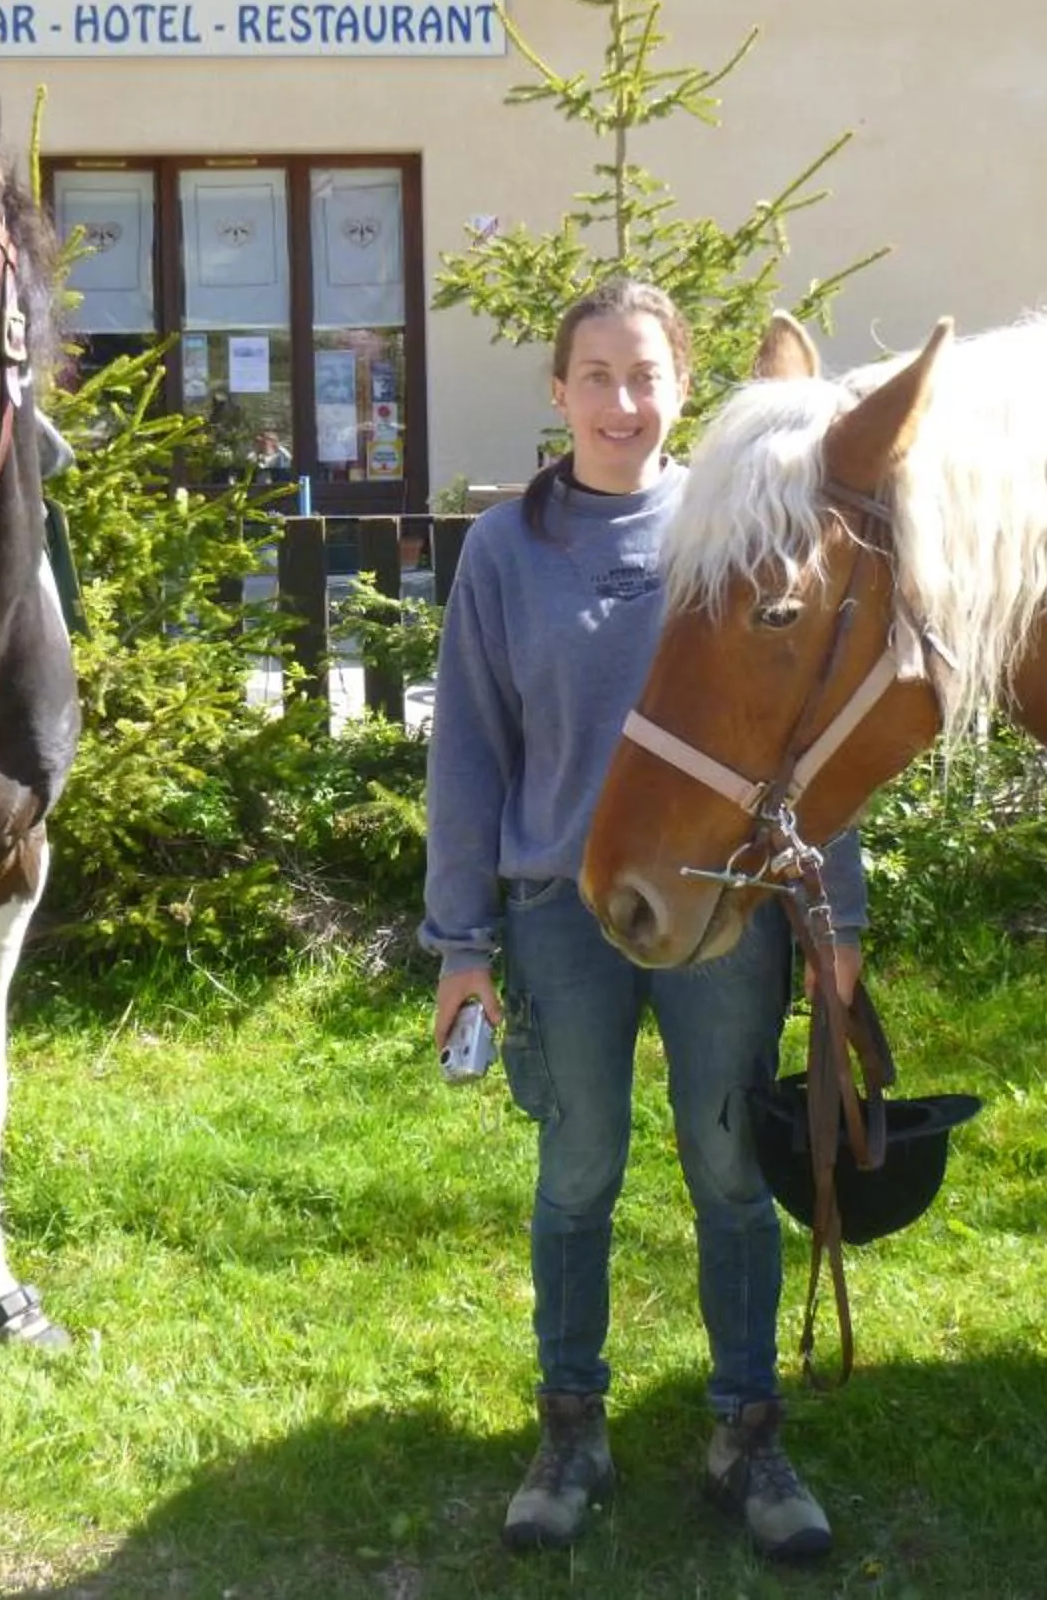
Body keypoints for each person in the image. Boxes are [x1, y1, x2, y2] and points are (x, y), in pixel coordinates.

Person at [422, 278, 865, 1563]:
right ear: (559, 393)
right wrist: (462, 946)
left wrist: (836, 920)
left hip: (726, 909)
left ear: (684, 386)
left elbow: (806, 733)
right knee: (579, 1173)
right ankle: (571, 1431)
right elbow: (470, 753)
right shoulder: (506, 553)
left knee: (732, 1173)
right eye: (598, 377)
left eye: (647, 375)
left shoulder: (740, 529)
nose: (623, 402)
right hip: (563, 912)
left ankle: (746, 1434)